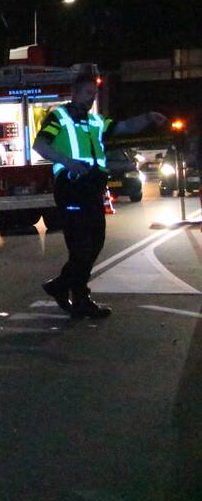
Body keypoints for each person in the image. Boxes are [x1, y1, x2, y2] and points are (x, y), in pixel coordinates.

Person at [33, 72, 165, 318]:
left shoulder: (95, 121)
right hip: (72, 187)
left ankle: (66, 289)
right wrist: (68, 162)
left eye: (93, 95)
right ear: (74, 92)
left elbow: (124, 127)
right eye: (86, 94)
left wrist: (147, 118)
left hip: (92, 187)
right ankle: (72, 293)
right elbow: (40, 145)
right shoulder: (59, 117)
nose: (90, 100)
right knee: (81, 245)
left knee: (95, 241)